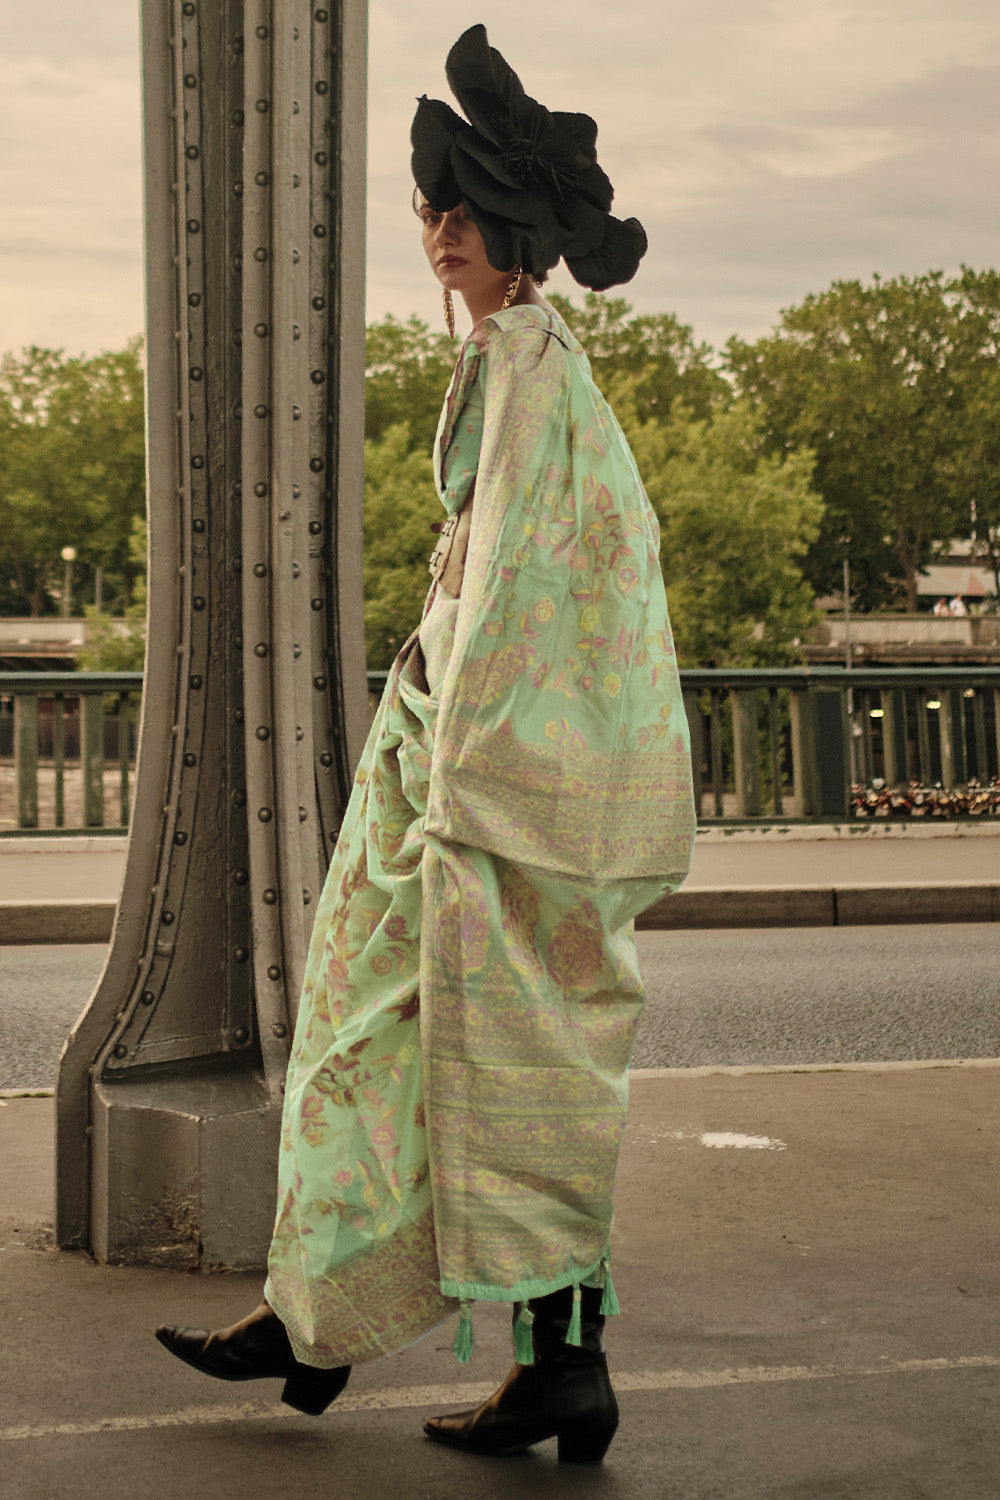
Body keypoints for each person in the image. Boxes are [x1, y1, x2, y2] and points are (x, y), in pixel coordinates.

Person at [156, 23, 695, 1466]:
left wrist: (458, 769)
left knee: (481, 1067)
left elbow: (532, 595)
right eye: (430, 209)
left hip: (489, 791)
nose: (439, 229)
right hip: (461, 769)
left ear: (515, 228)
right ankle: (327, 1318)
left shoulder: (533, 375)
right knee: (411, 1047)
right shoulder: (516, 369)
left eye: (460, 208)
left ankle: (523, 1360)